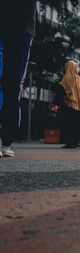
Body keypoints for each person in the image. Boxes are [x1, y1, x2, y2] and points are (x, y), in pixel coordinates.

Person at [0, 0, 36, 157]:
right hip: (18, 25)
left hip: (22, 25)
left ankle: (5, 139)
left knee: (12, 84)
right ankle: (5, 139)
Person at [58, 61, 80, 148]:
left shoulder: (67, 77)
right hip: (79, 106)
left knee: (68, 124)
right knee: (76, 124)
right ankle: (76, 141)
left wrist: (54, 102)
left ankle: (70, 142)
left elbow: (62, 91)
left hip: (69, 104)